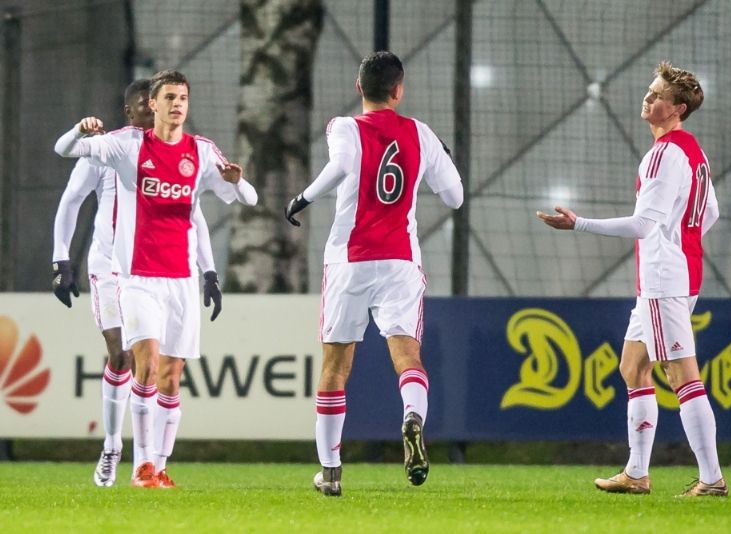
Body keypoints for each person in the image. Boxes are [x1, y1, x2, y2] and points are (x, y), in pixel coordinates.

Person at [54, 69, 257, 488]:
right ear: (140, 107)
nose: (168, 108)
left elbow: (200, 214)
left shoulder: (196, 152)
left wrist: (210, 271)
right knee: (128, 359)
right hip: (121, 271)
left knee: (168, 375)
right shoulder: (119, 148)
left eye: (181, 98)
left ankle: (156, 465)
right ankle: (120, 450)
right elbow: (70, 192)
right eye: (164, 99)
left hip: (177, 278)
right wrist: (61, 261)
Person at [537, 61, 726, 497]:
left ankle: (712, 479)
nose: (648, 97)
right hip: (677, 272)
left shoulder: (664, 154)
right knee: (633, 367)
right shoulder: (692, 150)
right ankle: (637, 473)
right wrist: (682, 240)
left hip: (663, 278)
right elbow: (710, 212)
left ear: (677, 109)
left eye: (658, 95)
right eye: (649, 90)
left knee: (682, 375)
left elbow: (643, 225)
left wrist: (580, 224)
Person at [285, 51, 463, 497]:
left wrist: (302, 199)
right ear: (398, 91)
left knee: (335, 366)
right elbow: (455, 198)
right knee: (407, 356)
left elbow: (342, 166)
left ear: (358, 86)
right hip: (400, 262)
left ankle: (330, 473)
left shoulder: (344, 127)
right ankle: (412, 417)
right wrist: (440, 155)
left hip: (349, 260)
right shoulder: (420, 133)